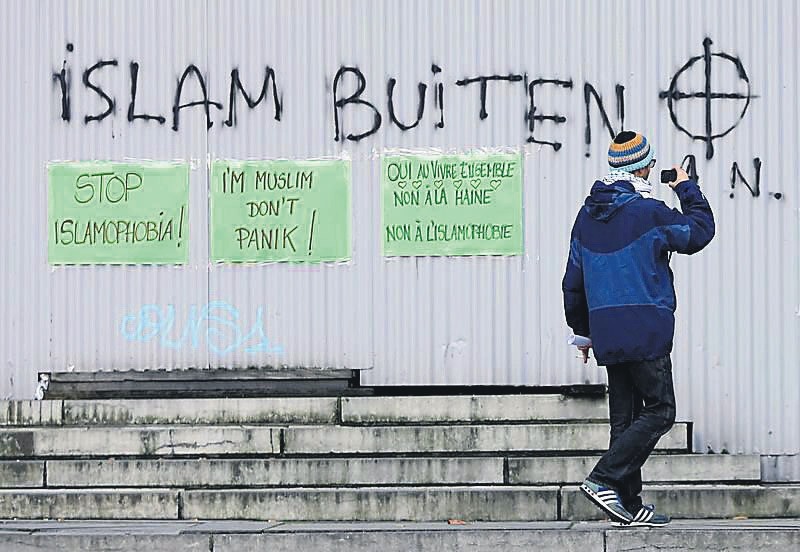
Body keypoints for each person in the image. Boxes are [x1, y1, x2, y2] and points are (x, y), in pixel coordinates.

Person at [562, 131, 715, 526]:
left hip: (608, 331)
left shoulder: (586, 216)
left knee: (625, 421)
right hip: (644, 327)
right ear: (644, 168)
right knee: (661, 411)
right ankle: (603, 478)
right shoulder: (649, 211)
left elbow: (573, 281)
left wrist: (583, 332)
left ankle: (627, 505)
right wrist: (686, 188)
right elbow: (699, 231)